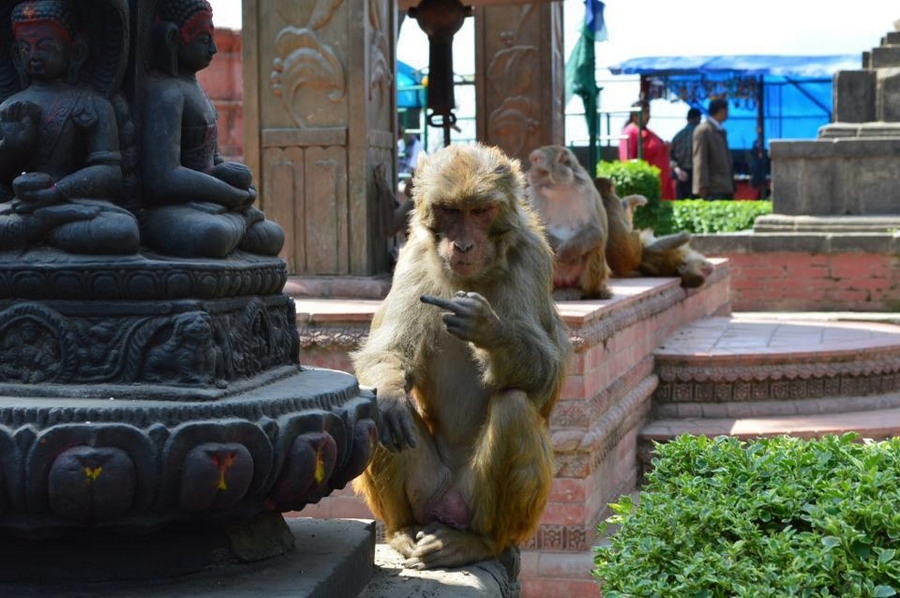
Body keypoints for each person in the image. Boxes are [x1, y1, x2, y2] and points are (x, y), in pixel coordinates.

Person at [140, 0, 284, 258]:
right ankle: (237, 227)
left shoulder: (197, 91)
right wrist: (228, 193)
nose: (214, 49)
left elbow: (211, 160)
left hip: (206, 203)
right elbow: (162, 176)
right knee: (213, 235)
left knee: (273, 235)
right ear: (173, 38)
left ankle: (235, 227)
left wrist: (230, 176)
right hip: (172, 207)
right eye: (203, 40)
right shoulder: (165, 92)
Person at [0, 0, 140, 254]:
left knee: (122, 230)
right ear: (15, 54)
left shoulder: (92, 103)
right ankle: (46, 226)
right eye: (24, 48)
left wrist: (57, 191)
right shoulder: (10, 108)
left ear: (75, 52)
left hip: (72, 204)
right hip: (21, 207)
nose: (33, 55)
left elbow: (109, 172)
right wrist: (12, 148)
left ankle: (42, 226)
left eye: (45, 46)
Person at [618, 101, 674, 200]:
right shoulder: (630, 132)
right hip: (645, 188)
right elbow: (626, 159)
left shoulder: (649, 132)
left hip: (660, 186)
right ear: (635, 115)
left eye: (648, 112)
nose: (648, 116)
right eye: (645, 112)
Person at [692, 98, 734, 200]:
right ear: (721, 111)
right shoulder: (703, 130)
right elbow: (700, 160)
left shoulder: (720, 130)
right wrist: (702, 186)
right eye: (727, 110)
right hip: (713, 188)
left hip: (725, 186)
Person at [669, 107, 702, 199]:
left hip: (681, 175)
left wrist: (678, 171)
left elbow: (671, 158)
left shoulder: (677, 136)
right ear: (698, 119)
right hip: (697, 175)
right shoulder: (701, 135)